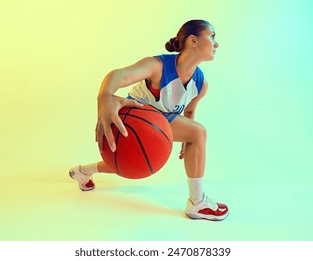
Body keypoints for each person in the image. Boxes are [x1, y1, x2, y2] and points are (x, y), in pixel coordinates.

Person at [69, 19, 229, 221]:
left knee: (191, 136)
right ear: (193, 40)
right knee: (130, 164)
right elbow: (120, 75)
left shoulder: (200, 83)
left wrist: (188, 140)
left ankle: (82, 171)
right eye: (212, 36)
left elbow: (189, 112)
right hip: (135, 116)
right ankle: (197, 203)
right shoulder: (157, 66)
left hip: (160, 120)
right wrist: (105, 97)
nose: (217, 43)